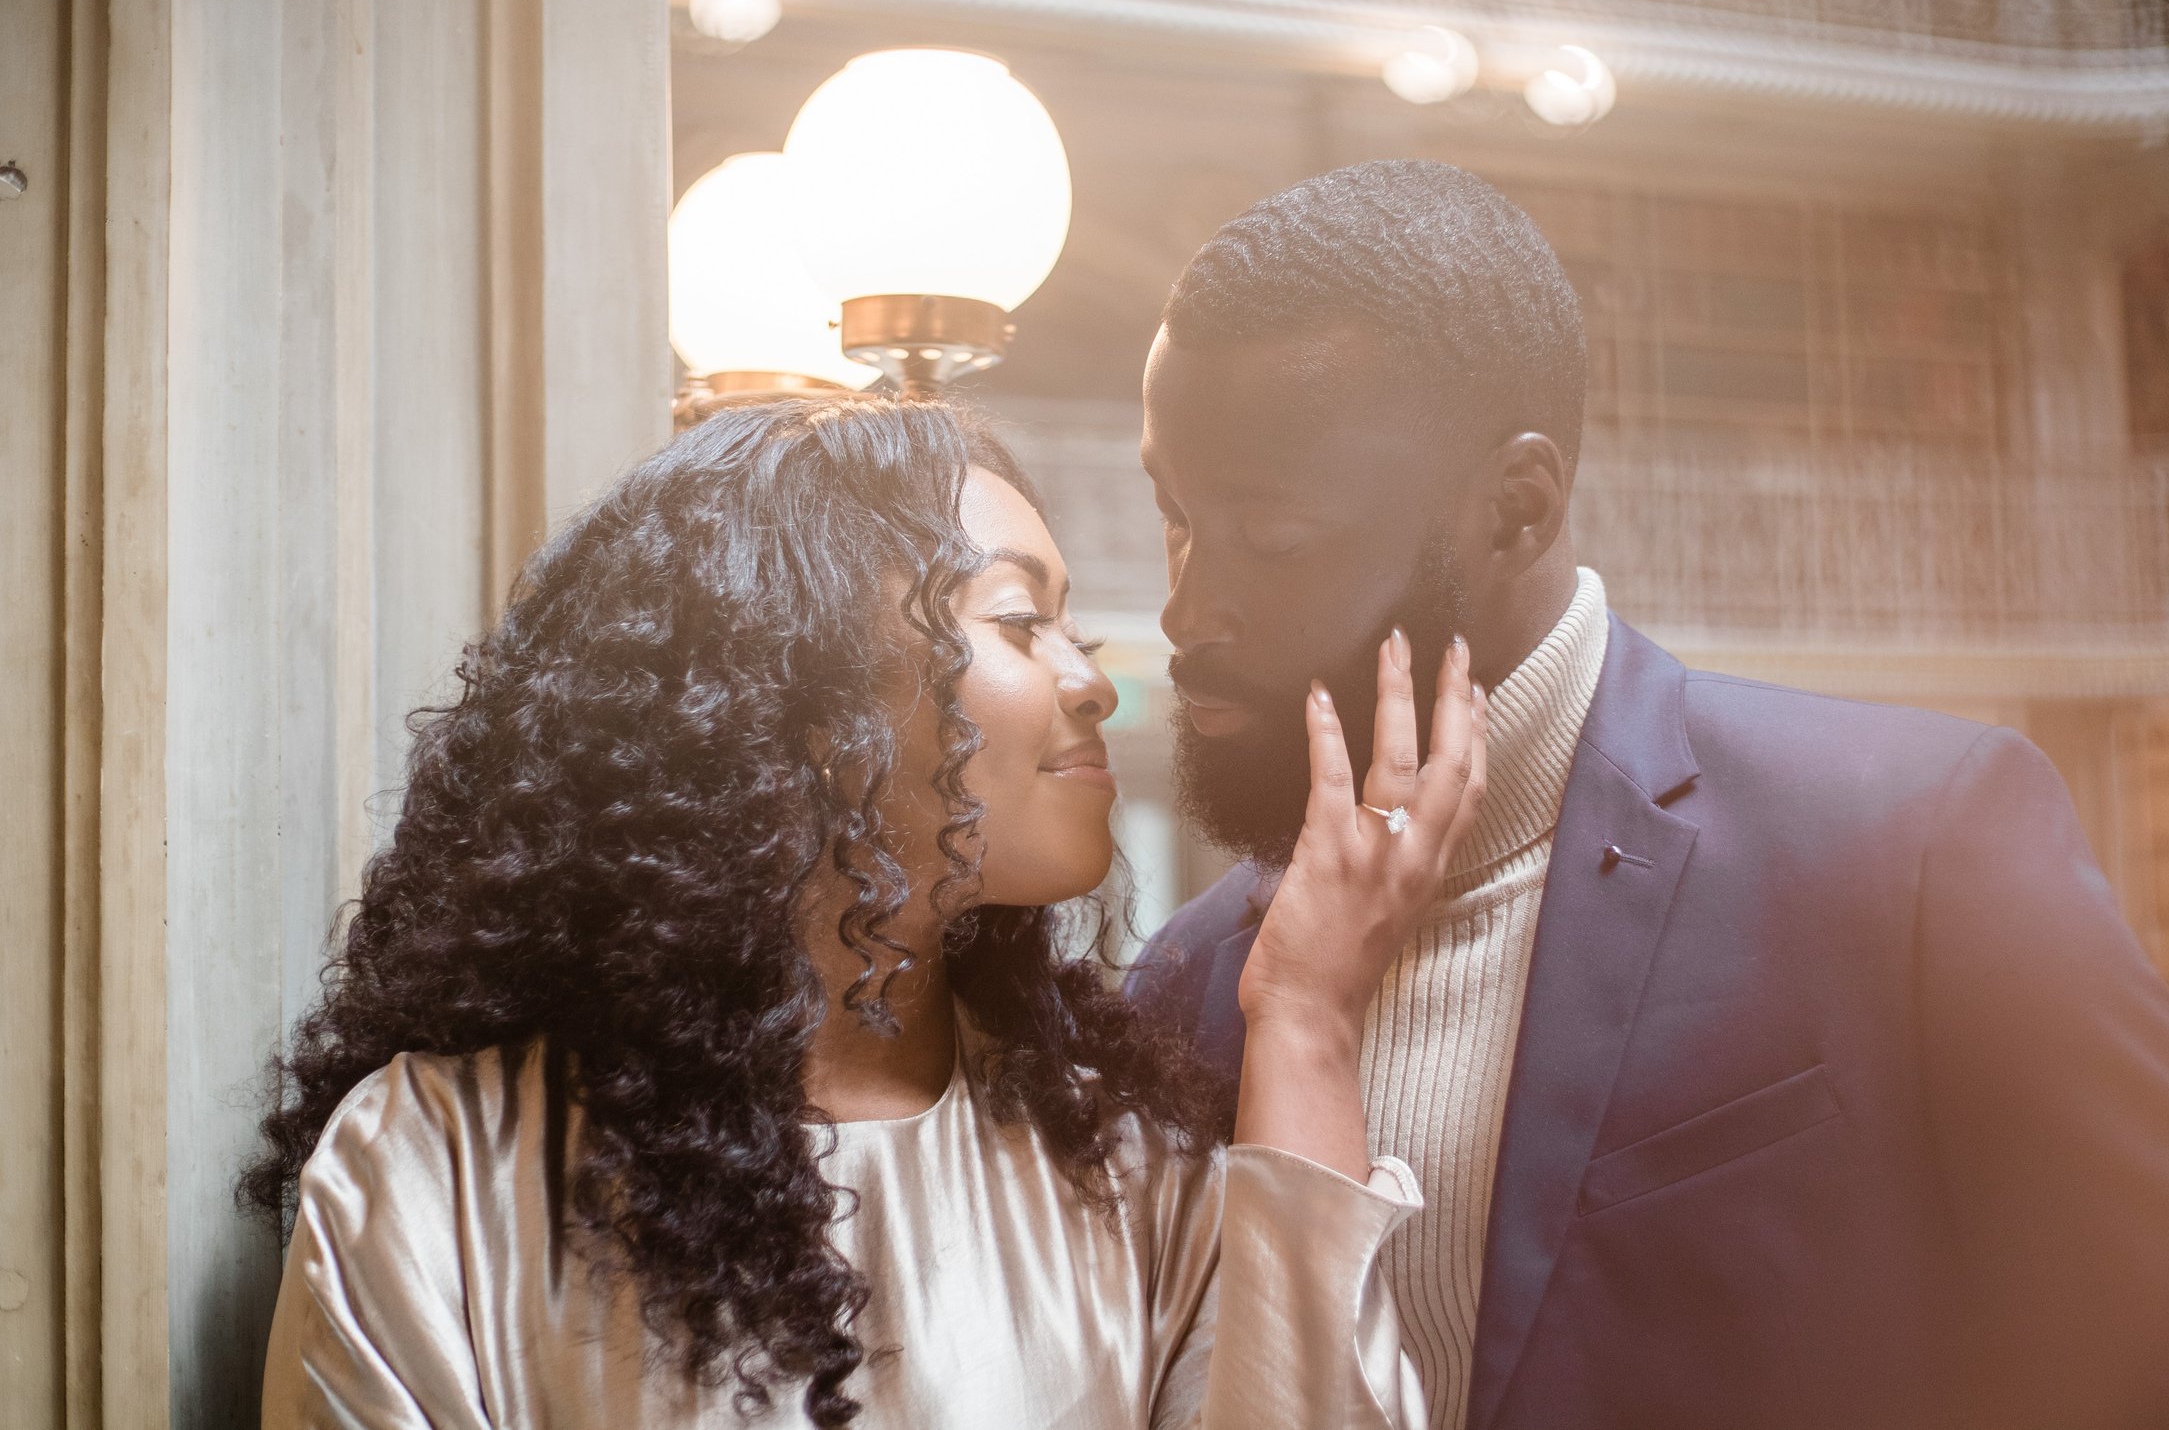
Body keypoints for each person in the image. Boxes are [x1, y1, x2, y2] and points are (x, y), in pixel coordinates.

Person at [1130, 160, 2169, 1430]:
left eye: (1270, 537)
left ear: (1517, 506)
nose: (1186, 607)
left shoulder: (1913, 847)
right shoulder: (1192, 979)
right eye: (1174, 517)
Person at [245, 396, 1491, 1429]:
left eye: (1073, 625)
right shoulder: (434, 1163)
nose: (1089, 681)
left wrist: (1307, 1017)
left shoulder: (1127, 1173)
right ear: (788, 684)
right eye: (1019, 618)